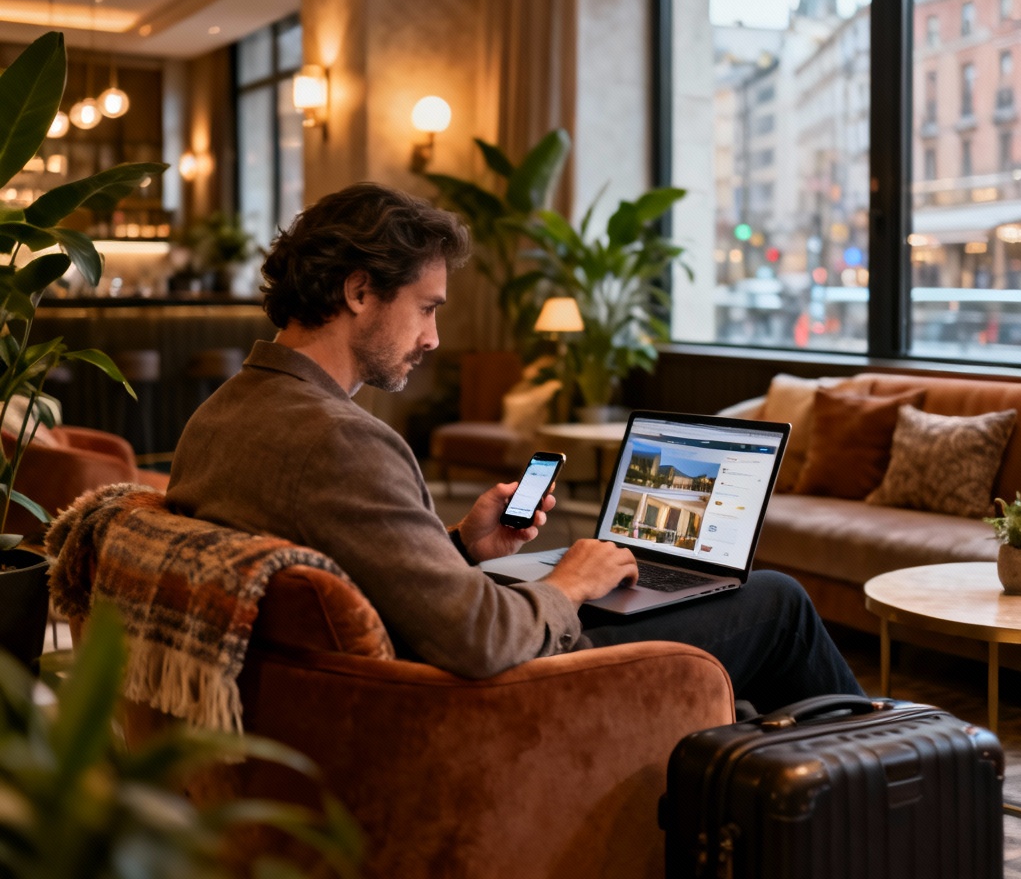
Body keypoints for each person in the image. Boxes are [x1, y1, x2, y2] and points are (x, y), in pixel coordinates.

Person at [167, 182, 862, 710]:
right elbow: (480, 639)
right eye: (428, 307)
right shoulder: (341, 440)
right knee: (775, 600)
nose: (434, 338)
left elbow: (342, 569)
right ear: (358, 291)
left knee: (612, 587)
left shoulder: (219, 415)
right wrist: (570, 582)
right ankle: (891, 789)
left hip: (343, 687)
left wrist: (461, 547)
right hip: (468, 702)